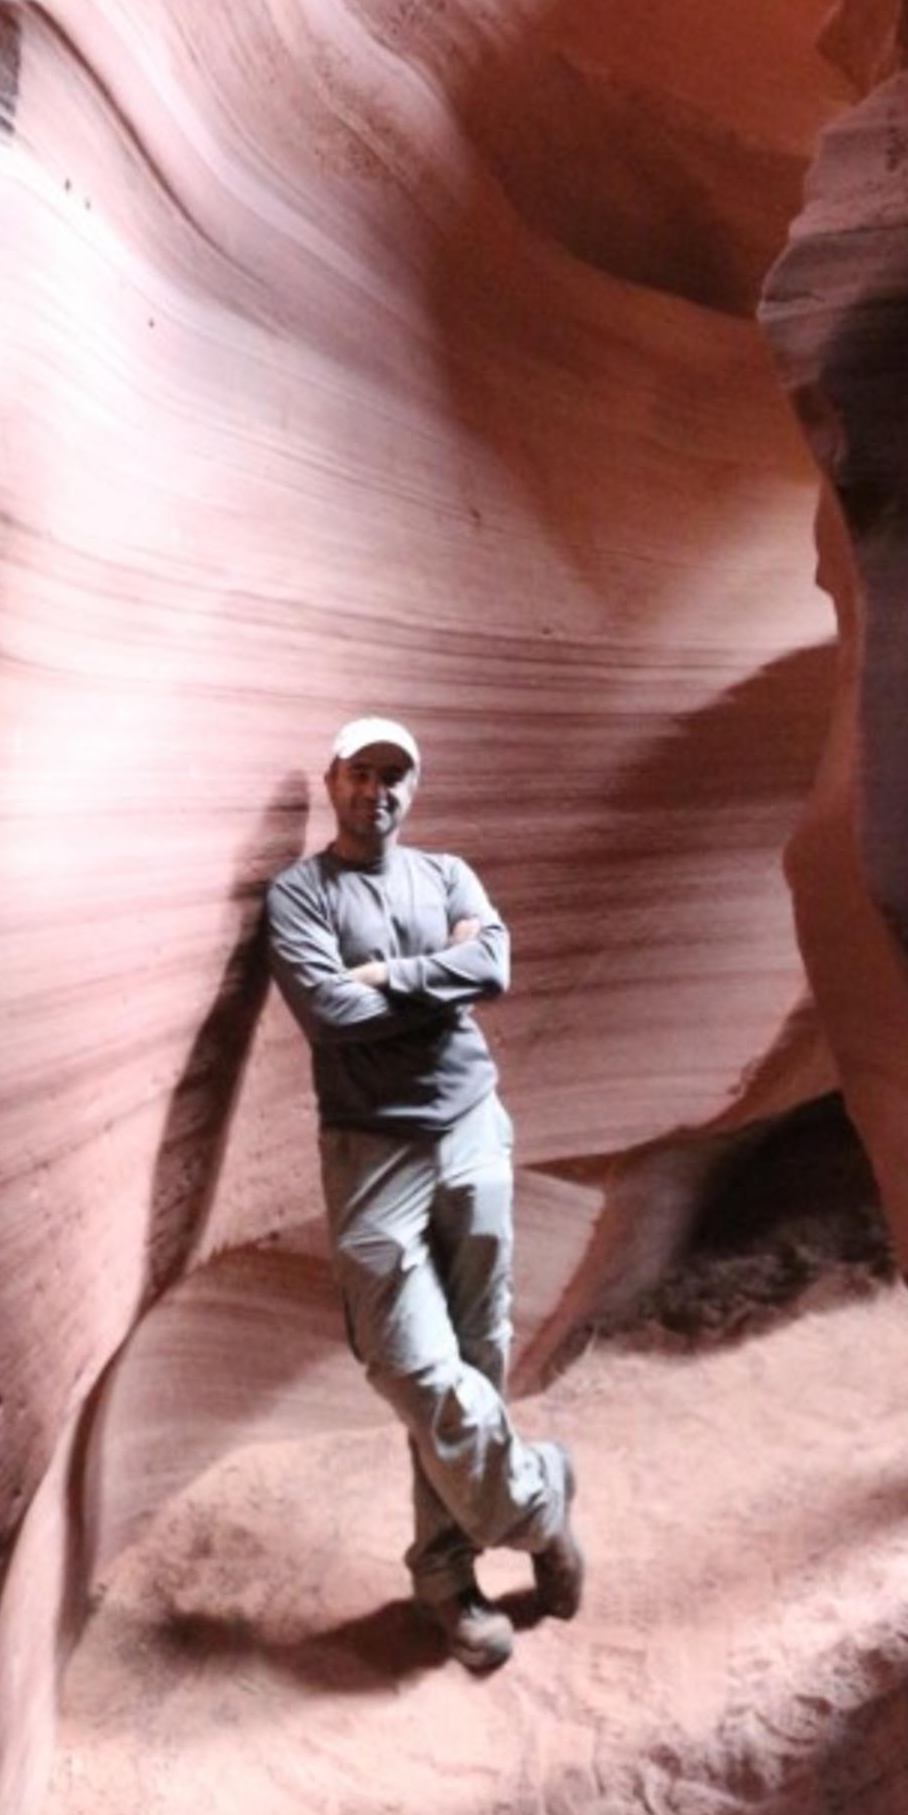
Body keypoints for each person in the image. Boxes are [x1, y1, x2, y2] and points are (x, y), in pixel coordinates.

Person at [265, 714, 584, 1673]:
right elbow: (331, 1013)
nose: (380, 792)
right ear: (333, 781)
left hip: (473, 1132)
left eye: (396, 776)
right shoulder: (299, 895)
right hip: (373, 1157)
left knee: (475, 1360)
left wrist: (395, 973)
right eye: (363, 773)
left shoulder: (446, 875)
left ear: (414, 789)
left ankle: (446, 1582)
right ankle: (540, 1502)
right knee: (415, 1365)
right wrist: (435, 983)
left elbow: (494, 963)